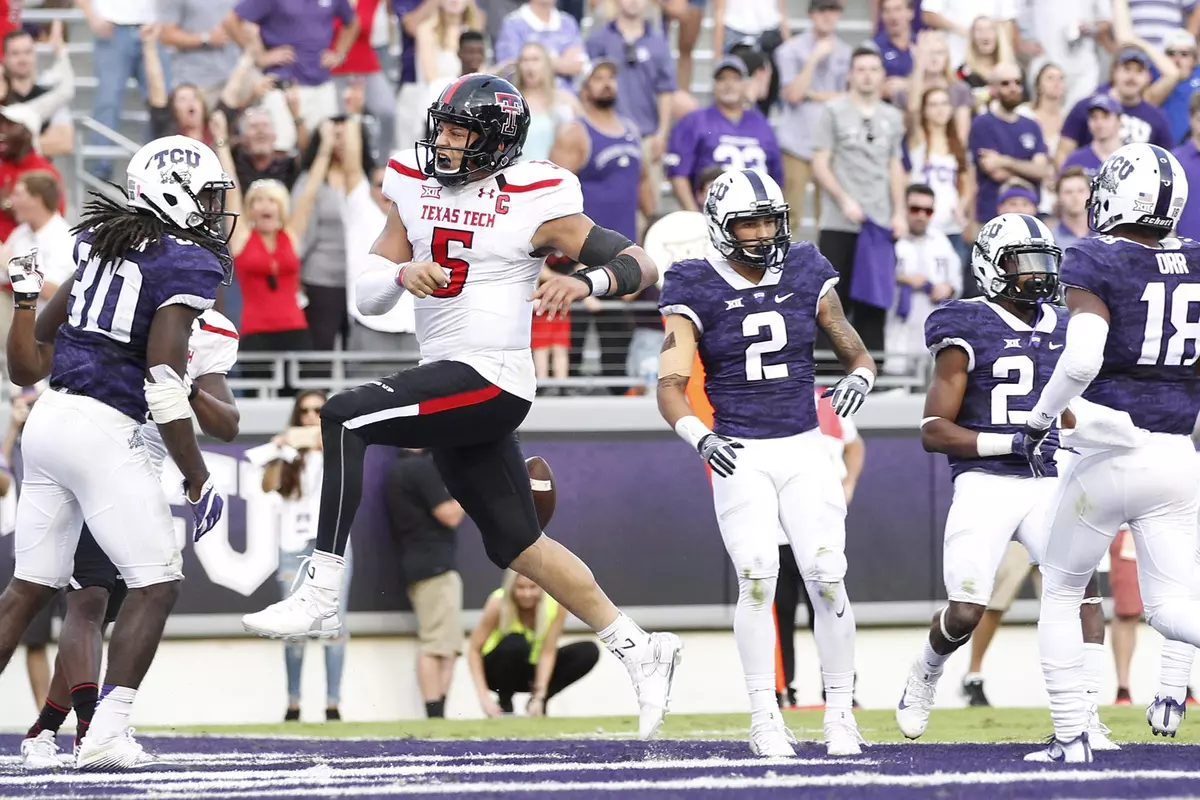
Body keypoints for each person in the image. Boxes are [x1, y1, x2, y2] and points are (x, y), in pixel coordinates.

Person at [240, 73, 683, 741]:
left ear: (495, 142)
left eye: (457, 132)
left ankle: (321, 588)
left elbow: (639, 261)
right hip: (448, 376)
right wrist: (399, 273)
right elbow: (366, 292)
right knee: (518, 544)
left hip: (494, 376)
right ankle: (640, 648)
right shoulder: (414, 187)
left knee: (342, 414)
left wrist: (583, 281)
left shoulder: (538, 196)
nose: (442, 142)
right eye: (440, 127)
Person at [0, 134, 231, 769]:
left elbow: (32, 358)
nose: (213, 212)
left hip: (48, 421)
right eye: (207, 196)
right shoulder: (184, 263)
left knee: (27, 589)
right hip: (107, 428)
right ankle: (105, 731)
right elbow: (162, 378)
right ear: (175, 192)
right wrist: (196, 475)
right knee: (157, 580)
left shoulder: (98, 247)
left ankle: (75, 729)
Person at [657, 168, 875, 757]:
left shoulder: (805, 266)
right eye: (747, 222)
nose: (760, 234)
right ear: (720, 228)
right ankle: (764, 714)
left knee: (828, 577)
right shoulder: (692, 282)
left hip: (805, 446)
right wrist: (698, 437)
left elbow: (853, 349)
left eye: (769, 221)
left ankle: (839, 715)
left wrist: (859, 375)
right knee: (756, 576)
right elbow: (670, 385)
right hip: (741, 452)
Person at [895, 212, 1115, 753]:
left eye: (1045, 262)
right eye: (1025, 264)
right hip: (987, 479)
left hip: (1051, 479)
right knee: (967, 611)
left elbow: (1076, 411)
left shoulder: (1066, 325)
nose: (1037, 275)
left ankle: (1085, 716)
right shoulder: (965, 323)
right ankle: (926, 669)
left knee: (1083, 593)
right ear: (993, 266)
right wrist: (1007, 442)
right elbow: (932, 430)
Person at [1017, 143, 1200, 761]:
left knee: (1064, 591)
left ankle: (1071, 736)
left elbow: (1084, 356)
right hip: (1178, 453)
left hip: (1108, 452)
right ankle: (1165, 693)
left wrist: (1040, 419)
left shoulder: (1095, 257)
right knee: (1174, 607)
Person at [19, 308, 240, 767]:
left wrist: (188, 387)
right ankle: (90, 730)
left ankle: (47, 728)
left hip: (136, 479)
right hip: (90, 452)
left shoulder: (215, 330)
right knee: (86, 601)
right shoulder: (123, 292)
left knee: (105, 608)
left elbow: (227, 424)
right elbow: (37, 355)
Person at [549, 60, 650, 392]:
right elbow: (551, 196)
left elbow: (645, 194)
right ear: (584, 87)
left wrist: (642, 251)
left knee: (617, 360)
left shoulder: (632, 131)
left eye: (611, 78)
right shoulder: (574, 132)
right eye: (599, 79)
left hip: (622, 259)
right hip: (580, 259)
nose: (607, 84)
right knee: (570, 361)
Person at [254, 390, 353, 722]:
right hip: (294, 544)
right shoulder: (289, 453)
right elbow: (268, 486)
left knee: (333, 624)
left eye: (318, 411)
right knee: (293, 627)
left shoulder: (341, 445)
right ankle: (293, 703)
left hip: (332, 543)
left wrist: (328, 444)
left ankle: (333, 704)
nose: (311, 417)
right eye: (305, 411)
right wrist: (280, 451)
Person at [812, 45, 907, 354]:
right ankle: (827, 372)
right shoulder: (834, 111)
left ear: (882, 75)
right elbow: (820, 163)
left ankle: (873, 374)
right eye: (861, 69)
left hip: (878, 221)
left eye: (873, 69)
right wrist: (843, 200)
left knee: (874, 300)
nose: (867, 75)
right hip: (840, 221)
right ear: (851, 74)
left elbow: (895, 165)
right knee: (832, 299)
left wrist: (899, 212)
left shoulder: (892, 116)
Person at [774, 386, 865, 710]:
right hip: (778, 529)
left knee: (829, 606)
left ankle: (840, 688)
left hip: (822, 527)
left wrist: (849, 482)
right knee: (779, 610)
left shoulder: (829, 401)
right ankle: (782, 689)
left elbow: (854, 446)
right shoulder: (767, 398)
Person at [383, 447, 465, 719]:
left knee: (446, 643)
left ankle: (437, 711)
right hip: (435, 567)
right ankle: (435, 712)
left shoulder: (398, 469)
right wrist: (470, 488)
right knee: (436, 643)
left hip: (421, 565)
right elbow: (450, 515)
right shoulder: (419, 468)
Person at [468, 570, 600, 716]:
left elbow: (547, 652)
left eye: (532, 587)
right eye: (521, 588)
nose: (527, 594)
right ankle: (504, 702)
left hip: (530, 671)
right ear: (511, 587)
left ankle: (538, 704)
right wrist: (484, 698)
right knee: (516, 642)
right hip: (496, 671)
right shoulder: (498, 602)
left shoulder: (555, 605)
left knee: (588, 651)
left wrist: (539, 695)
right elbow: (474, 650)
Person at [666, 56, 784, 213]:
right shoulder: (695, 121)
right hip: (712, 214)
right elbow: (679, 175)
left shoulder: (761, 124)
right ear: (714, 85)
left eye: (735, 79)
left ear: (745, 84)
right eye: (722, 79)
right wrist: (696, 218)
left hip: (755, 216)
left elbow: (776, 178)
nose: (728, 85)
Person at [774, 0, 850, 233]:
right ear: (811, 13)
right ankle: (784, 268)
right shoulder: (790, 50)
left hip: (829, 143)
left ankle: (824, 268)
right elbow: (794, 94)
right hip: (795, 141)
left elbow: (848, 97)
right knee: (790, 215)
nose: (827, 15)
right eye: (822, 9)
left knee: (827, 215)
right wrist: (814, 58)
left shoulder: (846, 52)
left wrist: (812, 94)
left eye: (833, 9)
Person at [883, 183, 960, 376]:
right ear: (904, 208)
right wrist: (902, 278)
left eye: (928, 210)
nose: (921, 215)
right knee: (895, 387)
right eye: (915, 209)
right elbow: (873, 278)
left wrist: (948, 288)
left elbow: (956, 279)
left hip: (932, 324)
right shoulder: (890, 238)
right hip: (897, 323)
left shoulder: (941, 241)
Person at [966, 61, 1051, 225]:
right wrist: (1029, 171)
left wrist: (1004, 161)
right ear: (993, 88)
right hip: (992, 218)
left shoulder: (1032, 125)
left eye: (1017, 82)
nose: (1013, 88)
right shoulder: (982, 124)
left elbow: (1042, 170)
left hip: (1031, 218)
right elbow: (995, 171)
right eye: (1005, 83)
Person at [1061, 94, 1124, 180]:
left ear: (1119, 120)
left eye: (1106, 117)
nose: (1099, 123)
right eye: (1094, 117)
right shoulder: (1075, 160)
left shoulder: (1131, 157)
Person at [1052, 167, 1092, 248]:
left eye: (1081, 191)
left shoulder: (1105, 235)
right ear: (1059, 197)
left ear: (1090, 194)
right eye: (1068, 192)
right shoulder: (1051, 239)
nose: (1075, 197)